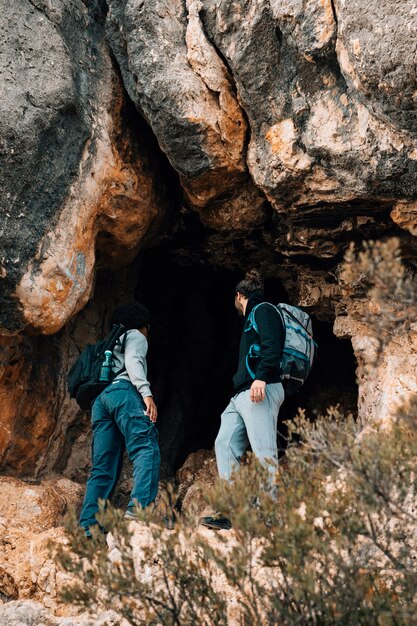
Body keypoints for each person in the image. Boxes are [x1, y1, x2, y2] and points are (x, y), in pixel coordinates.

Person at [201, 270, 285, 530]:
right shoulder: (252, 318)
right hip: (241, 395)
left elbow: (273, 343)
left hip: (261, 388)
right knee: (224, 443)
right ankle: (229, 510)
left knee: (264, 451)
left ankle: (267, 516)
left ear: (239, 296)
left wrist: (261, 377)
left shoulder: (264, 310)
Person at [79, 302, 159, 536]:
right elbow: (134, 362)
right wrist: (146, 394)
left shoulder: (111, 342)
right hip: (124, 392)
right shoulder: (136, 335)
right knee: (146, 446)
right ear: (143, 326)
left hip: (101, 400)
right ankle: (139, 509)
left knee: (103, 466)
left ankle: (89, 525)